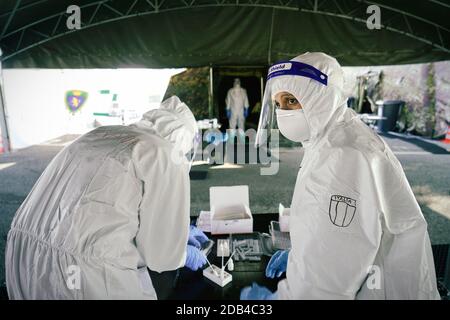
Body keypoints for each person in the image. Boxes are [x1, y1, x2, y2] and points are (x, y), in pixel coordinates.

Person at [242, 52, 440, 300]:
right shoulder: (333, 138)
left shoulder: (343, 155)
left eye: (292, 100)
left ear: (322, 97)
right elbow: (335, 232)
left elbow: (326, 282)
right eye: (279, 103)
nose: (283, 112)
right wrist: (300, 251)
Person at [6, 96, 208, 299]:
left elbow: (104, 208)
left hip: (24, 260)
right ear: (184, 137)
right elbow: (162, 257)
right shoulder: (164, 153)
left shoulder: (100, 134)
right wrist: (181, 250)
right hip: (85, 275)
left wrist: (177, 230)